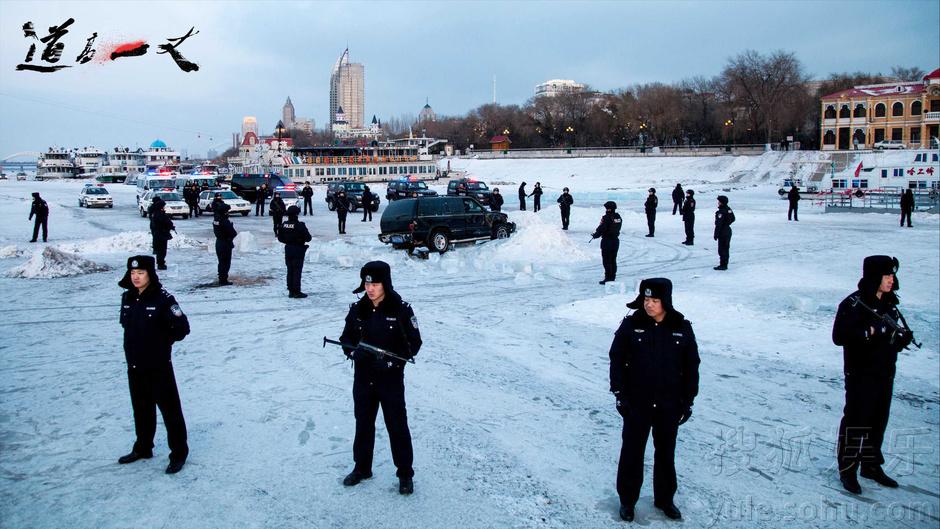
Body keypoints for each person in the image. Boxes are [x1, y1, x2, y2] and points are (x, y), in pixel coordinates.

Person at [609, 278, 699, 522]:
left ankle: (665, 499)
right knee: (632, 452)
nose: (649, 305)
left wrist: (688, 400)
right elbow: (616, 358)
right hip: (637, 403)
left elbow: (692, 366)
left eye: (654, 301)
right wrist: (619, 394)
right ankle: (628, 501)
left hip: (669, 404)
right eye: (646, 300)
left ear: (665, 301)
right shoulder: (631, 325)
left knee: (666, 454)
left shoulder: (681, 326)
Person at [833, 255, 915, 495]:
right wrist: (870, 331)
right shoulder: (853, 304)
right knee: (856, 421)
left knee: (877, 421)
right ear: (874, 276)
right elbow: (839, 336)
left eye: (892, 275)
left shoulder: (889, 304)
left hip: (884, 372)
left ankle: (870, 465)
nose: (892, 280)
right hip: (860, 373)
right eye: (887, 275)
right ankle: (848, 469)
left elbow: (888, 339)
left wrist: (900, 340)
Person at [339, 261, 422, 495]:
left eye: (375, 284)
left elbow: (414, 344)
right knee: (363, 423)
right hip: (363, 379)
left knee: (397, 426)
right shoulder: (358, 309)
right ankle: (362, 468)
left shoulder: (401, 309)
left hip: (390, 380)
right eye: (367, 284)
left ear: (385, 283)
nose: (370, 289)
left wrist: (392, 363)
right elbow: (345, 338)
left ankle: (405, 473)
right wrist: (354, 352)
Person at [117, 255, 191, 474]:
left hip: (158, 366)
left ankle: (178, 453)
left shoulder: (163, 299)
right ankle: (143, 447)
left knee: (171, 412)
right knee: (141, 409)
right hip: (134, 365)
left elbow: (182, 329)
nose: (136, 277)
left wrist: (162, 342)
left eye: (141, 273)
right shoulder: (128, 298)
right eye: (132, 273)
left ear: (150, 274)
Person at [277, 205, 311, 298]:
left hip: (288, 249)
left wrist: (288, 241)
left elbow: (280, 238)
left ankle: (291, 290)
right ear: (297, 214)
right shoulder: (300, 225)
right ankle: (296, 291)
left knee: (290, 270)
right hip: (298, 249)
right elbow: (308, 238)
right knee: (297, 271)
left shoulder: (284, 224)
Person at [591, 201, 622, 284]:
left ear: (608, 208)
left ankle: (608, 278)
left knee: (607, 260)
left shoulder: (606, 218)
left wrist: (595, 235)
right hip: (615, 241)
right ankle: (612, 276)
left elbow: (602, 228)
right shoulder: (618, 217)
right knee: (613, 259)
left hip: (607, 241)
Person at [212, 198, 236, 286]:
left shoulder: (216, 219)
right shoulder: (224, 221)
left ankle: (221, 278)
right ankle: (223, 280)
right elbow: (233, 233)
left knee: (221, 262)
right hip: (225, 243)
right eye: (227, 211)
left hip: (219, 242)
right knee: (225, 262)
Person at [149, 198, 174, 270]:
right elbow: (164, 222)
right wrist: (169, 226)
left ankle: (160, 262)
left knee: (161, 250)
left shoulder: (157, 213)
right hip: (161, 234)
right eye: (163, 206)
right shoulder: (159, 214)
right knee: (162, 250)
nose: (164, 207)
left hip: (159, 234)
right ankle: (160, 264)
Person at [713, 195, 735, 270]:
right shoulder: (728, 209)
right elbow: (733, 218)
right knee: (726, 248)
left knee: (722, 249)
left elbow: (719, 224)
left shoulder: (721, 212)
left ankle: (723, 265)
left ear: (722, 202)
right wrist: (727, 223)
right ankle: (724, 264)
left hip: (723, 232)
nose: (718, 203)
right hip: (727, 231)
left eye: (719, 201)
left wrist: (716, 234)